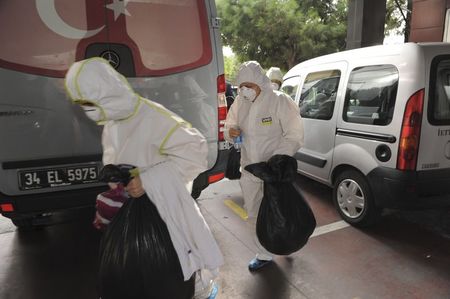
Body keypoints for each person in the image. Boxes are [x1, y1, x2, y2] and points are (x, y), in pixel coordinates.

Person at [64, 58, 223, 299]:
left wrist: (147, 181)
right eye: (82, 104)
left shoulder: (154, 117)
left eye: (90, 102)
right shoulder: (112, 123)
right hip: (134, 210)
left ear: (107, 94)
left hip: (166, 212)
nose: (87, 110)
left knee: (180, 267)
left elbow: (196, 154)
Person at [224, 61, 304, 271]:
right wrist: (230, 132)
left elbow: (294, 135)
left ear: (261, 81)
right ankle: (264, 253)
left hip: (275, 173)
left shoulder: (279, 101)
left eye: (248, 85)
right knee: (254, 214)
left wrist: (277, 161)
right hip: (250, 171)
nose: (244, 90)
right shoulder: (240, 103)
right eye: (241, 86)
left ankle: (288, 243)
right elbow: (229, 125)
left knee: (283, 212)